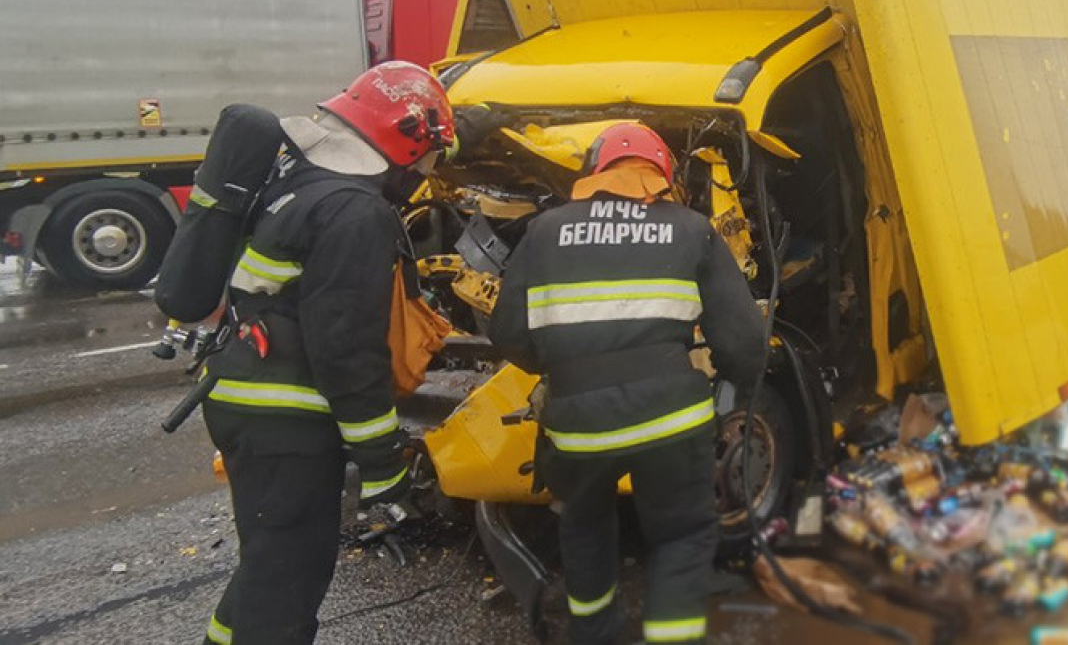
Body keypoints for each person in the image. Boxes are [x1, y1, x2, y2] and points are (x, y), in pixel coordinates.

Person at [200, 61, 455, 645]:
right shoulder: (356, 211)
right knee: (286, 586)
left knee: (267, 563)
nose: (422, 172)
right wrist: (382, 464)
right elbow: (344, 350)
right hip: (284, 418)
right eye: (426, 157)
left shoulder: (300, 180)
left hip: (243, 392)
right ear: (407, 143)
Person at [490, 121, 767, 645]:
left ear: (595, 171)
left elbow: (507, 335)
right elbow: (744, 340)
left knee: (585, 526)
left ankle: (593, 634)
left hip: (576, 427)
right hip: (670, 421)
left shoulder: (544, 231)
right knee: (681, 534)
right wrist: (739, 388)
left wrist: (560, 368)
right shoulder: (691, 228)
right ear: (662, 172)